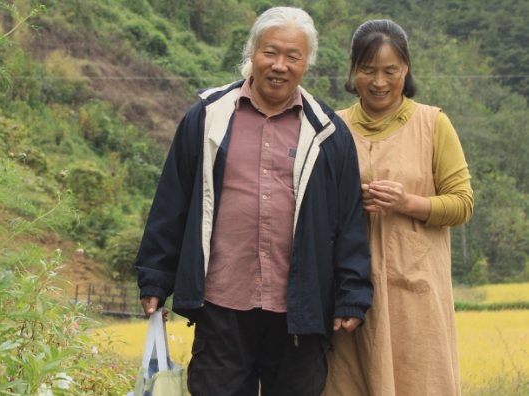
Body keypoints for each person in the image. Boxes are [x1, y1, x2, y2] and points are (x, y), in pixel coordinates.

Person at [133, 7, 373, 396]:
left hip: (300, 309)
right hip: (222, 303)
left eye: (293, 56)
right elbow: (172, 201)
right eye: (270, 52)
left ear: (306, 63)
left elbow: (347, 222)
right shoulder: (208, 117)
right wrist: (156, 277)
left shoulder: (328, 133)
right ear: (252, 53)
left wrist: (352, 295)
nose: (279, 65)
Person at [322, 19, 473, 396]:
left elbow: (462, 203)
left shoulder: (432, 123)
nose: (379, 82)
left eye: (391, 71)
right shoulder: (331, 128)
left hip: (416, 289)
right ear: (352, 69)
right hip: (349, 292)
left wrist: (408, 202)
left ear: (406, 69)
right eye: (368, 70)